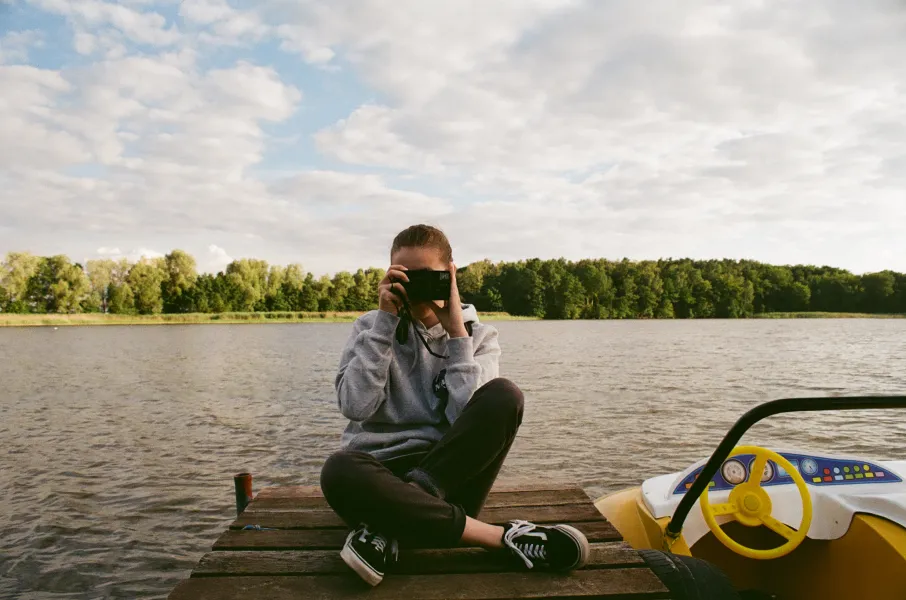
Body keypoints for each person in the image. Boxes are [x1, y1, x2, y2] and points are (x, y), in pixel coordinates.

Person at [320, 224, 589, 586]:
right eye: (405, 276)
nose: (414, 287)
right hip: (381, 476)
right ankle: (501, 538)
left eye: (425, 277)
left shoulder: (479, 335)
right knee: (339, 469)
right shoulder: (369, 328)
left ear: (450, 275)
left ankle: (389, 527)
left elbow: (467, 420)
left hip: (449, 476)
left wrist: (457, 336)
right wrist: (384, 325)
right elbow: (355, 406)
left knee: (504, 394)